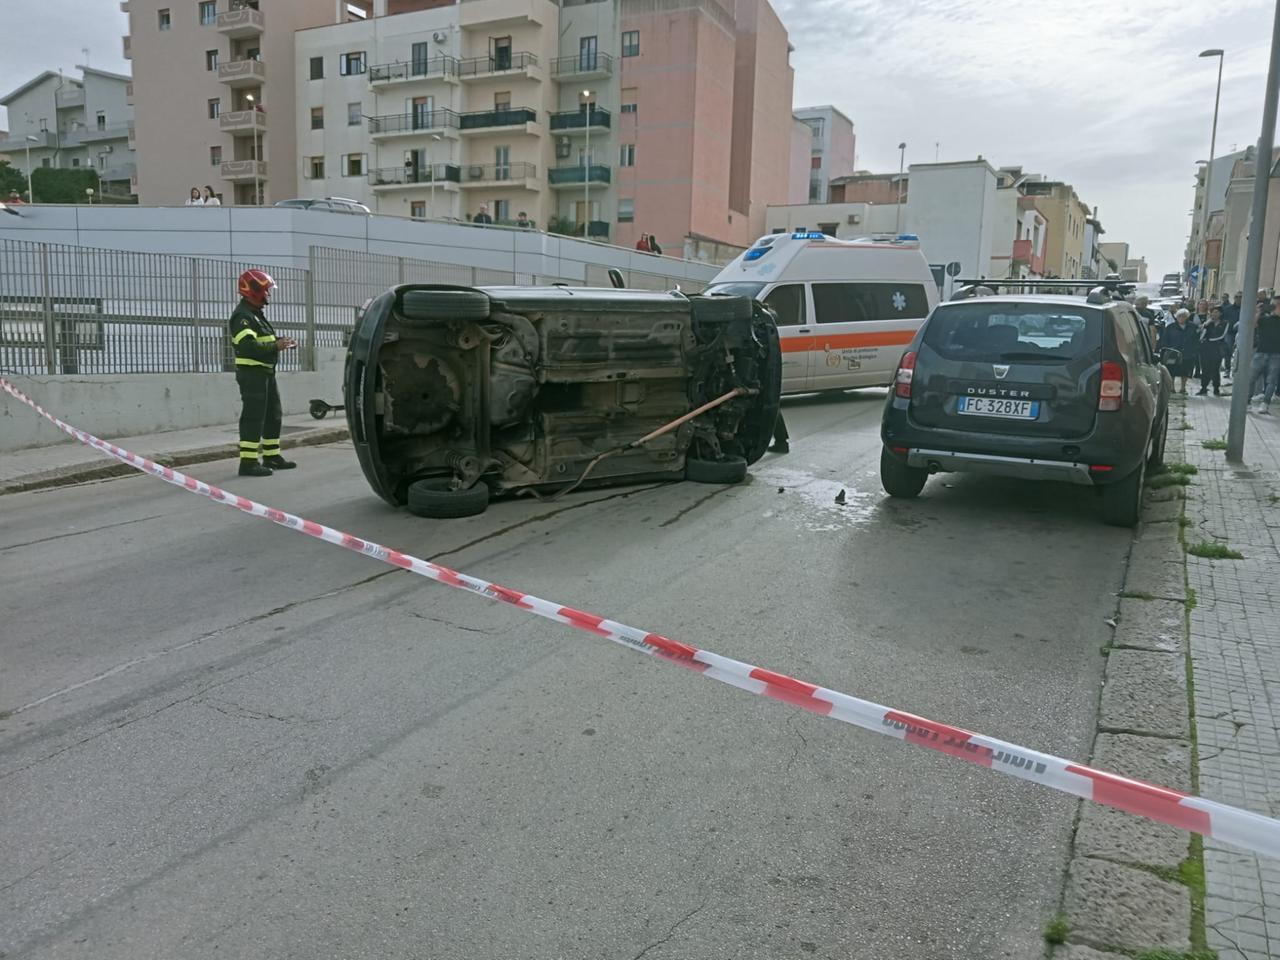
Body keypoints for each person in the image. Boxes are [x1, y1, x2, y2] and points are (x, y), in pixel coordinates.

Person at [230, 269, 298, 476]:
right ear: (253, 291)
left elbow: (266, 341)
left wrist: (282, 342)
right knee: (253, 417)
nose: (268, 295)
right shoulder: (242, 317)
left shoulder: (256, 315)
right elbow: (247, 347)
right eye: (266, 291)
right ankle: (248, 462)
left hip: (266, 373)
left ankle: (272, 456)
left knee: (272, 415)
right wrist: (276, 347)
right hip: (252, 375)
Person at [1249, 294, 1280, 414]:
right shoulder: (1264, 319)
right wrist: (1258, 311)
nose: (1275, 307)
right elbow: (1252, 325)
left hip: (1276, 354)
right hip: (1261, 352)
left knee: (1271, 381)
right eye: (1274, 304)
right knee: (1251, 378)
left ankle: (1265, 403)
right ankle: (1247, 402)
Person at [1159, 308, 1199, 394]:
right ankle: (1171, 388)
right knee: (1172, 370)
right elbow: (1165, 339)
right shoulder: (1170, 327)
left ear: (1187, 317)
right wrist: (1165, 349)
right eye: (1179, 316)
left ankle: (1183, 388)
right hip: (1173, 352)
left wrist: (1194, 350)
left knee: (1185, 371)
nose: (1181, 318)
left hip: (1188, 353)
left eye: (1184, 316)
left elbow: (1196, 339)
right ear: (1176, 317)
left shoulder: (1192, 327)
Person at [1197, 306, 1227, 397]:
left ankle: (1216, 388)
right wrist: (1207, 323)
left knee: (1215, 369)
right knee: (1205, 368)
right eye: (1213, 312)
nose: (1214, 314)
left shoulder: (1224, 323)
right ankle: (1203, 388)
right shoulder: (1208, 323)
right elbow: (1200, 332)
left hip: (1217, 348)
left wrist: (1209, 339)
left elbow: (1222, 335)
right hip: (1206, 348)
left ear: (1220, 313)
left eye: (1216, 312)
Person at [1222, 292, 1242, 377]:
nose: (1238, 298)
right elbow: (1223, 319)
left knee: (1240, 352)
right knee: (1228, 352)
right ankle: (1227, 369)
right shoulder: (1228, 308)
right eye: (1236, 297)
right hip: (1230, 333)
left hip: (1242, 333)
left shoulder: (1246, 308)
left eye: (1240, 297)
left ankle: (1237, 371)